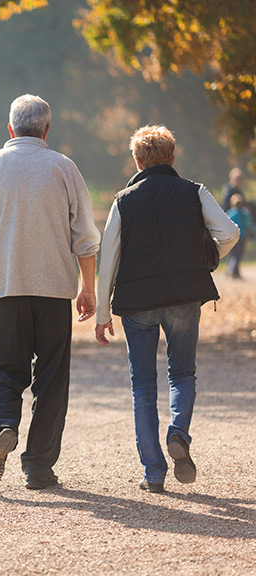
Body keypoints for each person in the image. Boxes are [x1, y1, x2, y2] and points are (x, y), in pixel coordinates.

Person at [0, 94, 101, 490]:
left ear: (10, 128)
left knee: (3, 369)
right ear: (46, 129)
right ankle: (38, 467)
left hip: (3, 290)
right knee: (52, 380)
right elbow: (85, 239)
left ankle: (2, 427)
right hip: (54, 293)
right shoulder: (64, 167)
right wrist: (88, 288)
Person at [95, 125, 240, 493]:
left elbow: (108, 257)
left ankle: (154, 474)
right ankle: (179, 433)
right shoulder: (194, 192)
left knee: (143, 386)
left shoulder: (123, 200)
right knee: (183, 373)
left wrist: (101, 312)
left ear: (137, 160)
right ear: (172, 158)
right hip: (184, 297)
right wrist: (206, 257)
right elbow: (230, 232)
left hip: (137, 303)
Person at [226, 194, 254, 279]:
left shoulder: (230, 213)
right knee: (238, 255)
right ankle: (232, 270)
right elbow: (249, 225)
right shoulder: (244, 213)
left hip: (233, 237)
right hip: (241, 237)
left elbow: (226, 224)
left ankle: (233, 271)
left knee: (234, 254)